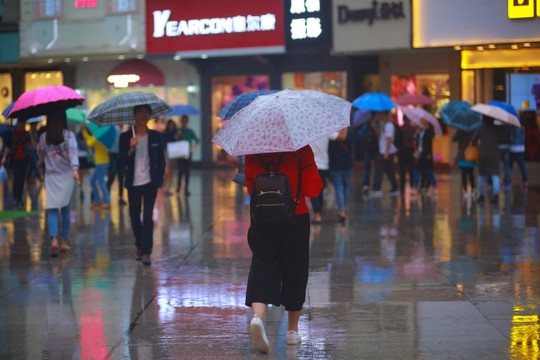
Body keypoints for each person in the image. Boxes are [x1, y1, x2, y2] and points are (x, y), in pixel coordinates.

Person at [244, 145, 322, 353]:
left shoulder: (252, 150)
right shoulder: (301, 149)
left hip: (262, 218)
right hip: (295, 216)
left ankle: (258, 318)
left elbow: (251, 189)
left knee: (262, 264)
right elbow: (313, 188)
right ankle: (292, 332)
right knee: (295, 270)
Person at [119, 104, 166, 266]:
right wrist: (130, 149)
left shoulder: (156, 136)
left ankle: (146, 251)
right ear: (134, 115)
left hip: (150, 182)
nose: (144, 115)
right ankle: (139, 245)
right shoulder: (125, 137)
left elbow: (161, 159)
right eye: (141, 112)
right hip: (133, 183)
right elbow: (121, 161)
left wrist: (159, 177)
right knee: (134, 216)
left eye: (147, 112)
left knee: (147, 217)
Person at [37, 109, 79, 256]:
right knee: (66, 210)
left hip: (51, 177)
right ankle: (64, 243)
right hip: (67, 176)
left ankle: (53, 240)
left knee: (52, 210)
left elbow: (41, 155)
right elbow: (73, 153)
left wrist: (40, 161)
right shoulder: (68, 136)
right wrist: (75, 169)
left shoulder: (44, 137)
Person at [309, 131, 338, 224]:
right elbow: (337, 136)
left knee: (314, 191)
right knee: (320, 189)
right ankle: (318, 212)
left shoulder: (308, 132)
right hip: (324, 165)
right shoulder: (325, 130)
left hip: (313, 165)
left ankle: (317, 215)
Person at [2, 119, 31, 208]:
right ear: (18, 123)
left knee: (22, 178)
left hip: (24, 158)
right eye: (21, 122)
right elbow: (8, 146)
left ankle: (19, 198)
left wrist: (31, 135)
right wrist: (4, 157)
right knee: (17, 177)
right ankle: (15, 198)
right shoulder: (12, 133)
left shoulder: (26, 134)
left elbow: (32, 146)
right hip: (15, 158)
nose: (23, 124)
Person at [471, 116, 500, 203]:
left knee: (482, 175)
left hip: (483, 154)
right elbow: (502, 139)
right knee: (495, 174)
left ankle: (481, 196)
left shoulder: (481, 128)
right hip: (494, 154)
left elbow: (473, 139)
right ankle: (495, 195)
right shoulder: (497, 128)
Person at [81, 124, 111, 209]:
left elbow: (89, 143)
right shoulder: (101, 137)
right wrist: (84, 131)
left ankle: (107, 201)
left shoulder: (98, 137)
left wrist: (84, 130)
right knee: (92, 180)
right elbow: (90, 139)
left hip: (101, 163)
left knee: (101, 182)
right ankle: (97, 200)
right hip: (101, 162)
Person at [371, 111, 399, 196]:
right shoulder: (382, 125)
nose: (378, 116)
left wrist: (386, 152)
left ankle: (377, 188)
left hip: (386, 151)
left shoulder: (389, 125)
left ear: (384, 115)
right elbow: (380, 137)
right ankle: (395, 188)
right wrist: (375, 128)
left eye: (380, 114)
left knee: (379, 170)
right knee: (389, 171)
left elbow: (389, 139)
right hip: (384, 150)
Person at [329, 128, 353, 223]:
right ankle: (343, 207)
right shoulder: (349, 132)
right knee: (345, 186)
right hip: (347, 163)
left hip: (335, 164)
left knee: (339, 187)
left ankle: (342, 209)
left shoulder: (330, 133)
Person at [176, 115, 199, 196]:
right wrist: (178, 135)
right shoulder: (179, 130)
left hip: (188, 154)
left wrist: (192, 149)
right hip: (180, 154)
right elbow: (175, 140)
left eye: (185, 121)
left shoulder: (190, 131)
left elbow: (197, 140)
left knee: (187, 172)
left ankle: (186, 188)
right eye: (183, 121)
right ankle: (178, 187)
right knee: (180, 171)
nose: (184, 122)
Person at [412, 119, 437, 195]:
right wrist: (417, 133)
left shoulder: (429, 131)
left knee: (428, 170)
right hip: (420, 152)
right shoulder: (421, 129)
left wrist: (429, 153)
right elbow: (416, 139)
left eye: (423, 120)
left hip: (426, 153)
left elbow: (429, 143)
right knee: (418, 169)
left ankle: (434, 185)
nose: (421, 122)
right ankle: (415, 186)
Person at [358, 116, 380, 194]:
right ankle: (366, 184)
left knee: (376, 168)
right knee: (368, 168)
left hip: (374, 150)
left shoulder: (377, 125)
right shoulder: (365, 126)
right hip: (368, 150)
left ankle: (374, 185)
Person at [452, 129, 476, 197]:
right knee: (471, 173)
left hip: (462, 155)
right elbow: (475, 141)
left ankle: (465, 190)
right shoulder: (472, 131)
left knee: (464, 174)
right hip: (471, 154)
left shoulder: (460, 130)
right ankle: (473, 189)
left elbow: (454, 139)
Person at [398, 116, 417, 193]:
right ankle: (412, 184)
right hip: (410, 150)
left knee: (402, 169)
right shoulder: (412, 129)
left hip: (402, 150)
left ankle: (402, 185)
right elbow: (415, 139)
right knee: (411, 168)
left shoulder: (401, 129)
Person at [162, 119, 181, 195]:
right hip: (167, 152)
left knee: (171, 171)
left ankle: (168, 187)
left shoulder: (176, 133)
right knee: (167, 169)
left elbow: (177, 142)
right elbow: (164, 142)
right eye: (170, 125)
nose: (171, 127)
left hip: (174, 153)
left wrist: (177, 136)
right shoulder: (165, 134)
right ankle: (164, 184)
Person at [76, 127, 94, 201]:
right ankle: (81, 191)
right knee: (81, 175)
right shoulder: (79, 135)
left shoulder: (90, 133)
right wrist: (87, 143)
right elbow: (80, 145)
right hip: (81, 156)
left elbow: (92, 143)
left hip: (89, 156)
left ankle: (92, 190)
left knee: (91, 174)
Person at [509, 122, 528, 191]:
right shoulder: (522, 128)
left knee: (510, 166)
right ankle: (525, 181)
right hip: (521, 149)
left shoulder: (512, 128)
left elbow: (511, 138)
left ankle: (507, 180)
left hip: (513, 149)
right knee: (522, 166)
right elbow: (523, 138)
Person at [26, 121, 42, 187]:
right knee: (35, 165)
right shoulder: (30, 133)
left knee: (32, 166)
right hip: (31, 151)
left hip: (35, 150)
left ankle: (29, 179)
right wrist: (30, 135)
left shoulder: (36, 133)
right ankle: (39, 178)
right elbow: (32, 144)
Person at [498, 124, 512, 191]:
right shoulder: (508, 127)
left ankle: (493, 181)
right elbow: (511, 137)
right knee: (507, 166)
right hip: (506, 147)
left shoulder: (497, 126)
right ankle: (507, 182)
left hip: (499, 147)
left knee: (496, 166)